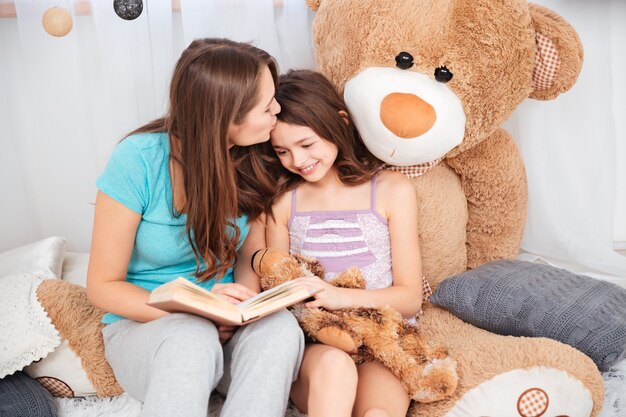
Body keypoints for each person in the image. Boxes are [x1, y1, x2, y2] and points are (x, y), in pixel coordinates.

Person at [86, 38, 304, 417]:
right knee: (191, 336)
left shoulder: (255, 157)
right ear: (225, 114)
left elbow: (248, 258)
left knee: (280, 329)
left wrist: (240, 311)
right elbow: (102, 286)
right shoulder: (138, 160)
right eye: (266, 106)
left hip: (222, 325)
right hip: (149, 328)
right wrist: (200, 316)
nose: (277, 111)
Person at [261, 69, 425, 417]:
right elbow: (277, 286)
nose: (298, 161)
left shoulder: (392, 189)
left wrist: (340, 297)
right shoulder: (284, 202)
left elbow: (410, 298)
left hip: (381, 341)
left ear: (339, 123)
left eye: (306, 145)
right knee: (335, 373)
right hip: (318, 347)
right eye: (282, 151)